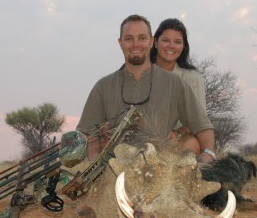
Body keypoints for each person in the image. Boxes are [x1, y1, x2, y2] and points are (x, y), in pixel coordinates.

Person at [76, 14, 216, 163]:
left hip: (160, 167)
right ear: (120, 42)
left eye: (142, 38)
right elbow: (87, 132)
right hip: (115, 167)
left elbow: (202, 125)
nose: (136, 44)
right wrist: (95, 160)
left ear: (151, 41)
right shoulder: (103, 86)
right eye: (129, 39)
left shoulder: (175, 83)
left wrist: (208, 153)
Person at [150, 18, 206, 154]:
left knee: (191, 144)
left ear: (183, 47)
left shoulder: (193, 77)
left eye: (177, 42)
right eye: (166, 40)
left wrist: (178, 133)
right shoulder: (140, 73)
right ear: (155, 42)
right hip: (144, 138)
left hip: (176, 140)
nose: (171, 46)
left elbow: (199, 121)